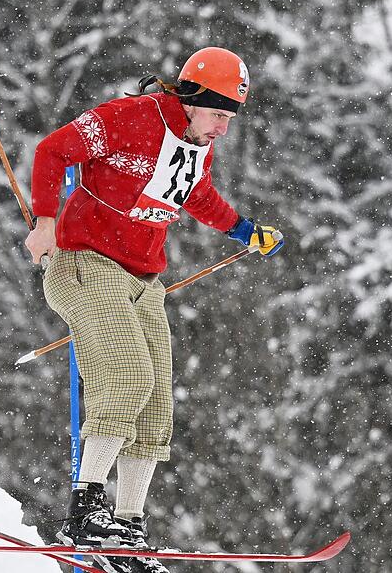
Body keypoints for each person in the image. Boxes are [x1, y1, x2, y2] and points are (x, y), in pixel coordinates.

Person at [24, 47, 283, 573]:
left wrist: (244, 230)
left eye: (229, 120)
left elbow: (198, 195)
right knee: (126, 375)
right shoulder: (130, 118)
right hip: (85, 265)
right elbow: (53, 151)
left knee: (156, 402)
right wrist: (46, 220)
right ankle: (85, 510)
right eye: (218, 115)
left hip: (144, 281)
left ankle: (127, 527)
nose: (222, 130)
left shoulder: (195, 145)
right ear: (192, 100)